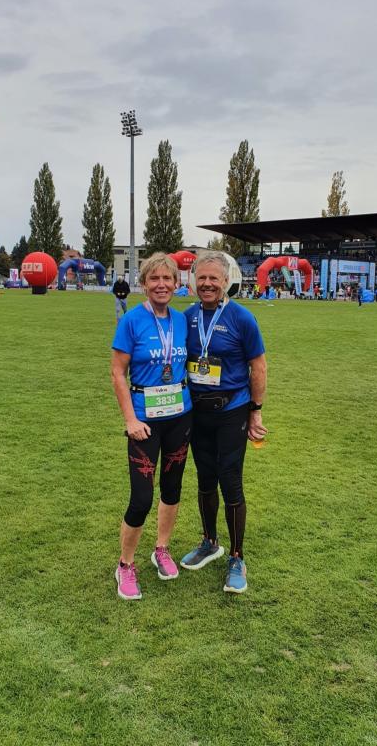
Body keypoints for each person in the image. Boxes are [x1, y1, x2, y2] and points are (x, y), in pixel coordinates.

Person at [180, 251, 267, 594]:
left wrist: (256, 411)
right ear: (194, 281)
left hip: (232, 411)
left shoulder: (242, 318)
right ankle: (209, 542)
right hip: (197, 413)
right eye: (201, 278)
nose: (207, 284)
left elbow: (258, 367)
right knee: (205, 478)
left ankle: (236, 556)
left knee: (230, 481)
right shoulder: (186, 318)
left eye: (214, 278)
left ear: (226, 281)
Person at [111, 253, 192, 601]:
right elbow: (117, 372)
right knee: (142, 497)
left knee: (172, 488)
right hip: (144, 421)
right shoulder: (131, 320)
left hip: (180, 416)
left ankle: (161, 548)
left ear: (176, 283)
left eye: (167, 278)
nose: (161, 285)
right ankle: (125, 565)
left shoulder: (182, 320)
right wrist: (130, 419)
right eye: (154, 279)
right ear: (144, 284)